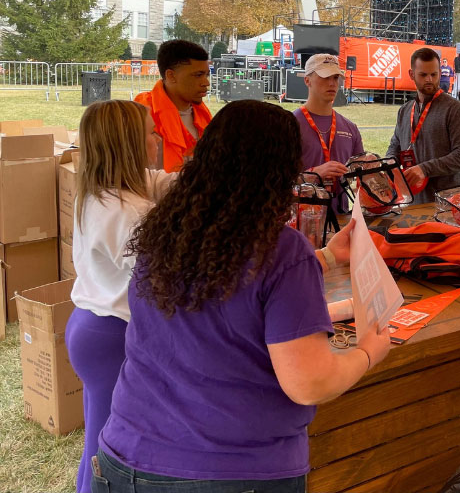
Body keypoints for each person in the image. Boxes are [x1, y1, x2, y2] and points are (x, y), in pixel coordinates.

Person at [95, 100, 391, 492]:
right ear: (284, 169)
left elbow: (229, 283)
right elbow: (309, 382)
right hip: (231, 472)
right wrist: (368, 350)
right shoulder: (280, 249)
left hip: (124, 458)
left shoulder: (169, 230)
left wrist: (322, 257)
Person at [65, 100, 174, 493]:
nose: (156, 139)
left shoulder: (102, 191)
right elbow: (168, 276)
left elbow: (160, 181)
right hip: (113, 334)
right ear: (129, 144)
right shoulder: (128, 212)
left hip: (91, 327)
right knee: (109, 452)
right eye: (149, 132)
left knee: (98, 435)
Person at [387, 48, 460, 204]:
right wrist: (388, 165)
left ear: (440, 73)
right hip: (413, 202)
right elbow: (396, 146)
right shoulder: (404, 111)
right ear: (411, 74)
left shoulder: (455, 109)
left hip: (448, 204)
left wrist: (424, 169)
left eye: (433, 74)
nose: (429, 79)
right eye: (423, 75)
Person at [293, 54, 363, 212]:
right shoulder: (288, 125)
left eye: (336, 77)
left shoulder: (350, 128)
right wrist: (314, 174)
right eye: (325, 77)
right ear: (307, 80)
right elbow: (272, 181)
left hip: (340, 220)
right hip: (300, 222)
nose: (332, 83)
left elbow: (360, 180)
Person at [135, 40, 212, 172]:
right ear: (171, 76)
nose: (206, 83)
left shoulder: (204, 116)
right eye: (198, 75)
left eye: (206, 75)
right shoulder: (140, 115)